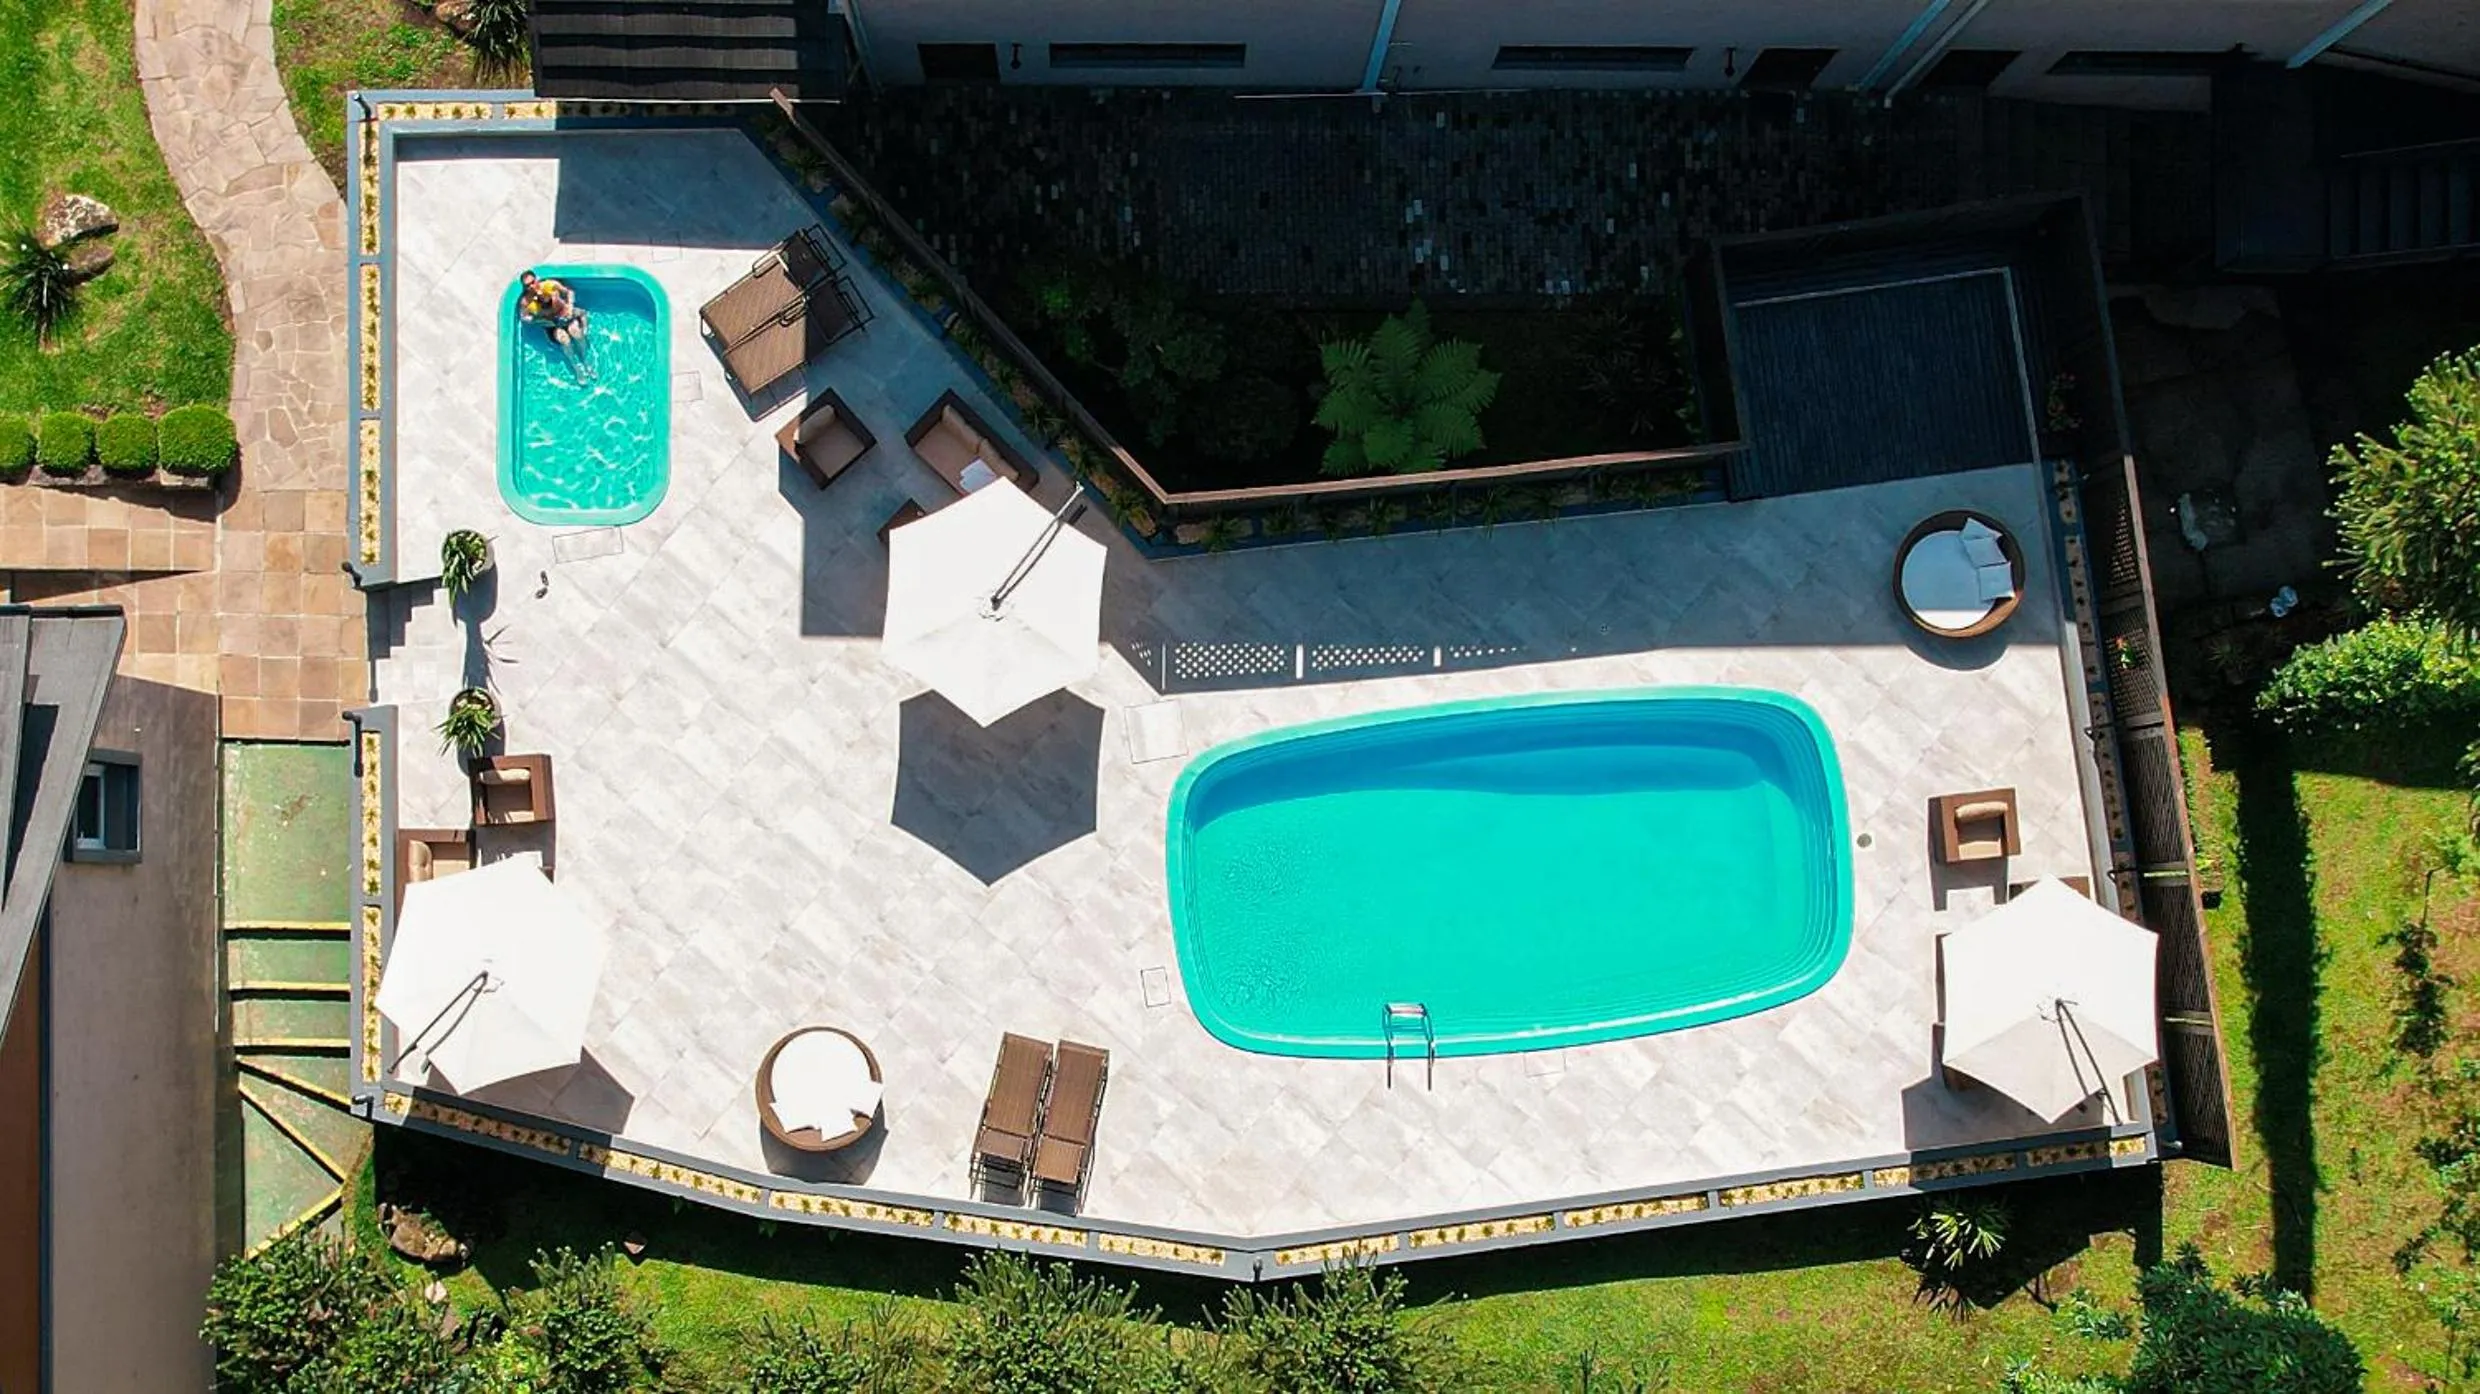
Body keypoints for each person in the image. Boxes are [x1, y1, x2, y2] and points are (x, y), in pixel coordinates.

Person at [518, 270, 591, 351]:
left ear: (537, 279)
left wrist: (570, 306)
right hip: (551, 324)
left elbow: (569, 291)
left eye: (533, 282)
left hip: (565, 314)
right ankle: (574, 362)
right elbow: (524, 317)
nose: (532, 286)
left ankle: (585, 357)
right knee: (565, 340)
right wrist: (539, 320)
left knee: (576, 333)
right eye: (528, 285)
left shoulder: (550, 285)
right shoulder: (526, 301)